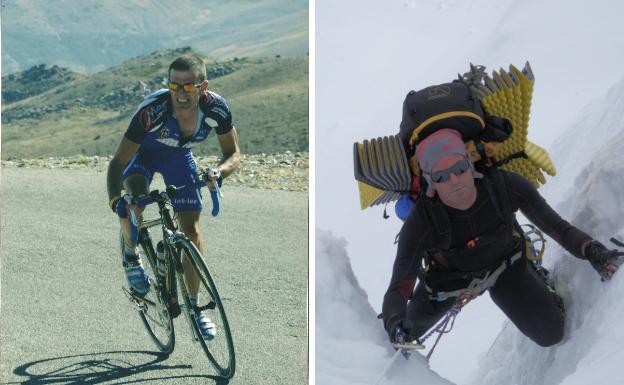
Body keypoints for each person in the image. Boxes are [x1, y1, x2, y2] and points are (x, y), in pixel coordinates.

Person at [382, 128, 623, 347]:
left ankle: (536, 278)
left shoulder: (504, 186)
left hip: (506, 266)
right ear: (429, 183)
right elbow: (399, 285)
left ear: (471, 165)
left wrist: (592, 250)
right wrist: (394, 323)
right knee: (401, 340)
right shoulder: (421, 221)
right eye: (442, 177)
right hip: (446, 283)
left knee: (550, 334)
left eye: (459, 169)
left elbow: (555, 226)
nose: (454, 180)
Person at [106, 55, 241, 340]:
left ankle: (195, 307)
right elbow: (118, 163)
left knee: (191, 231)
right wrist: (115, 200)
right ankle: (132, 256)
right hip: (141, 159)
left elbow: (233, 154)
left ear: (202, 87)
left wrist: (218, 172)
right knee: (135, 201)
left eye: (188, 86)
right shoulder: (152, 111)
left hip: (178, 159)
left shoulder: (216, 107)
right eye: (174, 85)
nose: (180, 93)